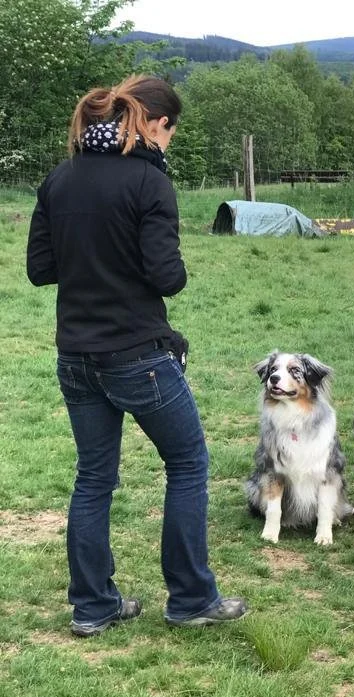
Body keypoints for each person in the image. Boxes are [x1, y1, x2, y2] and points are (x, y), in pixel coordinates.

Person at [26, 75, 247, 637]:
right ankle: (192, 597)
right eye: (170, 131)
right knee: (189, 464)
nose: (168, 141)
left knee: (94, 477)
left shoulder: (58, 180)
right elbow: (167, 277)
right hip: (137, 354)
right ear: (154, 123)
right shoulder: (150, 182)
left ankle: (93, 607)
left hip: (75, 354)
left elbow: (40, 269)